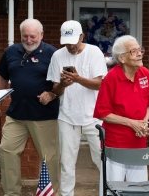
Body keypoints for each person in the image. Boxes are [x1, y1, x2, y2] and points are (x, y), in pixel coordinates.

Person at [0, 19, 60, 195]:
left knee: (49, 158)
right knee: (7, 150)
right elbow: (1, 76)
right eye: (25, 35)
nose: (29, 39)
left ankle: (52, 193)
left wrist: (52, 94)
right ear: (21, 35)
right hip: (16, 115)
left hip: (44, 116)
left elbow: (59, 83)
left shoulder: (52, 54)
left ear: (41, 35)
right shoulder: (11, 51)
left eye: (33, 36)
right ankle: (11, 193)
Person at [46, 20, 107, 196]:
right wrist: (63, 84)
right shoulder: (58, 55)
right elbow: (55, 90)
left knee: (102, 160)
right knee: (67, 164)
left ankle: (107, 192)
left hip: (94, 117)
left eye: (74, 41)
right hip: (67, 117)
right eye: (67, 42)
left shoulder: (94, 52)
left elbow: (100, 84)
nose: (70, 46)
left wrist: (78, 78)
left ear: (82, 36)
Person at [93, 35, 149, 195]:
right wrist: (132, 123)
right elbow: (103, 112)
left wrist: (143, 122)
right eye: (133, 51)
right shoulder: (111, 78)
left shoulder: (145, 73)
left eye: (140, 49)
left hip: (139, 142)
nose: (139, 53)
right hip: (116, 145)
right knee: (112, 190)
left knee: (140, 190)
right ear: (121, 57)